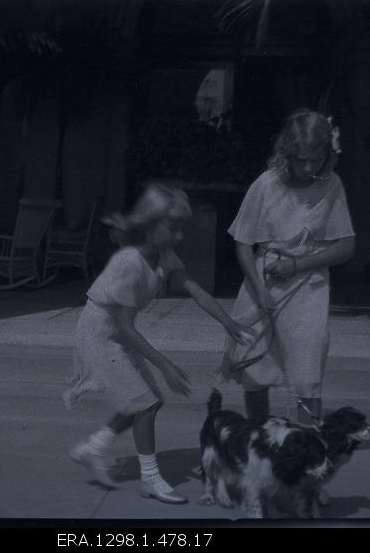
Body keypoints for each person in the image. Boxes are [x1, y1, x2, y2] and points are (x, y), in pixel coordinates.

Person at [63, 182, 255, 504]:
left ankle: (92, 448)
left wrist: (229, 322)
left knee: (143, 402)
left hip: (116, 331)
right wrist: (165, 364)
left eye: (182, 228)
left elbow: (194, 289)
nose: (180, 236)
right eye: (174, 227)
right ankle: (150, 479)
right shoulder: (128, 262)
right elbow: (123, 327)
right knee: (146, 404)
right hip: (99, 333)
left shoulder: (163, 255)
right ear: (150, 225)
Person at [221, 109, 355, 426]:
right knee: (255, 367)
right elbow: (243, 243)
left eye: (316, 160)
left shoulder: (331, 185)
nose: (308, 168)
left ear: (328, 154)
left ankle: (308, 441)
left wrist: (297, 263)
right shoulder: (266, 185)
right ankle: (259, 434)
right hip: (262, 282)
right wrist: (258, 289)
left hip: (308, 285)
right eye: (301, 160)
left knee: (308, 366)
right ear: (287, 152)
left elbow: (346, 246)